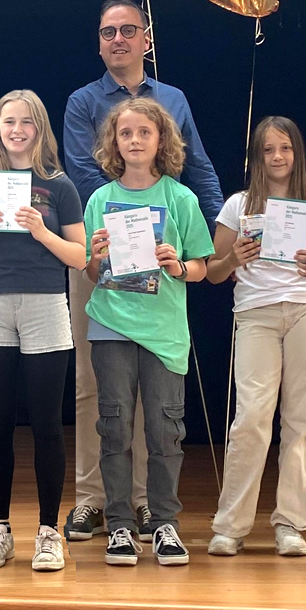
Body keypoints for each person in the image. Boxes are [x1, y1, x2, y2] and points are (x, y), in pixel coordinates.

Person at [62, 0, 223, 542]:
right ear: (99, 42)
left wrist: (216, 236)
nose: (118, 39)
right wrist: (120, 228)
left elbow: (197, 166)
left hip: (162, 256)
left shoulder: (173, 98)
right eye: (108, 32)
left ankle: (148, 507)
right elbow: (84, 172)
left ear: (146, 39)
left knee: (157, 408)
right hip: (100, 250)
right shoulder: (83, 100)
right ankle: (96, 501)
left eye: (128, 30)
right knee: (98, 392)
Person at [0, 90, 86, 572]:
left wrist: (42, 231)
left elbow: (80, 257)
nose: (17, 130)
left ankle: (49, 532)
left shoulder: (60, 186)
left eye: (27, 122)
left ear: (40, 128)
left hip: (46, 305)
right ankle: (0, 530)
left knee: (47, 424)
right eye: (9, 121)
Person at [83, 98, 214, 566]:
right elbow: (91, 273)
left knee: (165, 432)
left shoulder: (181, 199)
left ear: (162, 140)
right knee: (114, 427)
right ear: (113, 142)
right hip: (111, 325)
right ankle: (119, 524)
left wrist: (177, 265)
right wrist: (96, 258)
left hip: (163, 332)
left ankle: (164, 525)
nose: (135, 140)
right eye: (125, 133)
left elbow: (202, 267)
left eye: (144, 132)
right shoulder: (100, 200)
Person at [205, 116, 306, 558]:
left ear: (297, 154)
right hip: (256, 313)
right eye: (268, 149)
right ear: (256, 157)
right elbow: (213, 273)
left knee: (303, 417)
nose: (277, 157)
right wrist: (233, 258)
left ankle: (291, 524)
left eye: (285, 148)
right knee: (252, 416)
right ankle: (231, 525)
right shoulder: (238, 205)